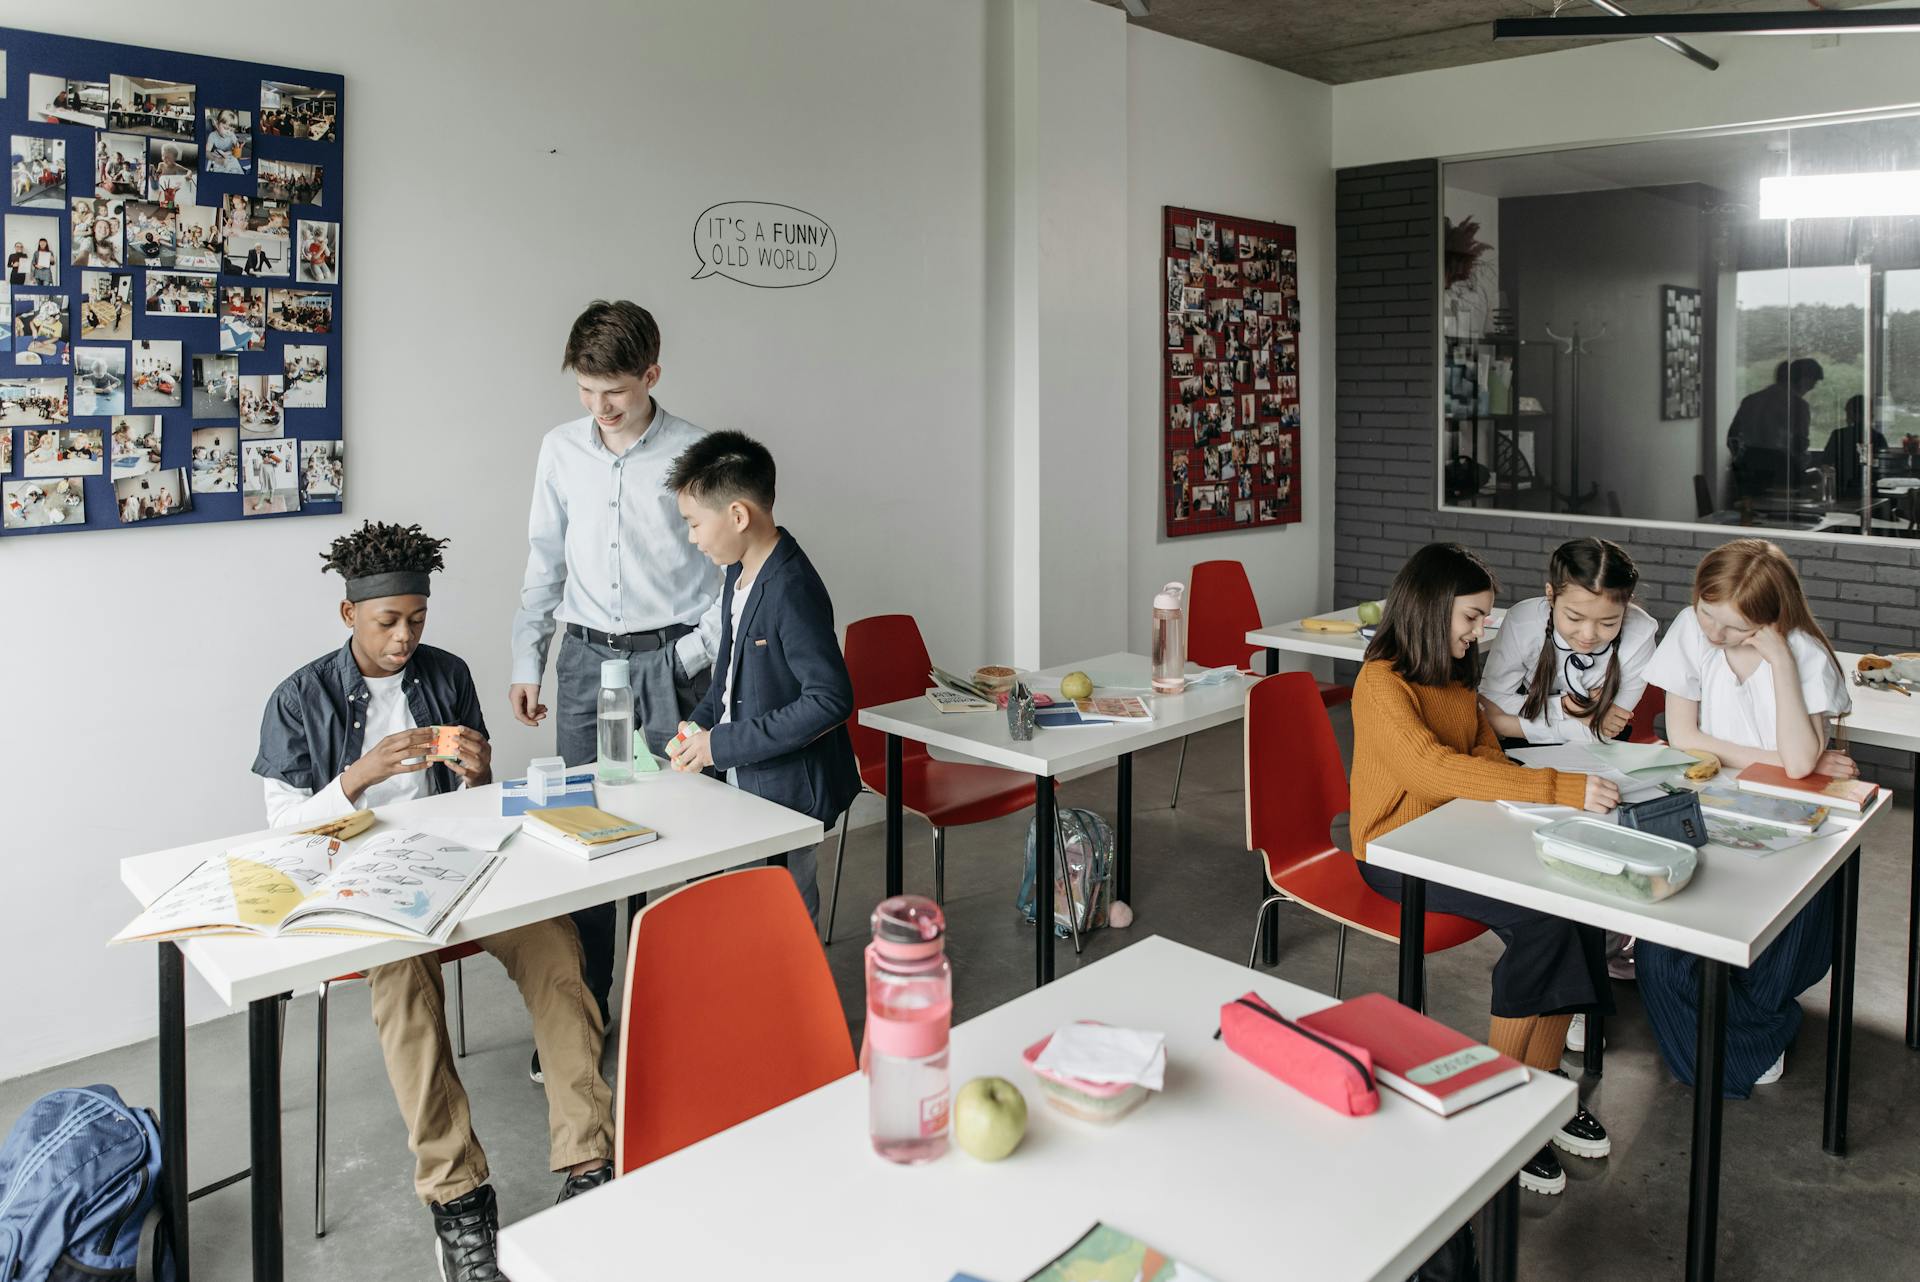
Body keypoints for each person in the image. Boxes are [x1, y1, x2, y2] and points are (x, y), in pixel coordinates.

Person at [253, 520, 615, 1281]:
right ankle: (458, 1199)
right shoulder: (298, 697)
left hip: (463, 866)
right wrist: (359, 776)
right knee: (402, 982)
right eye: (389, 621)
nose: (404, 637)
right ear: (349, 613)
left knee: (556, 945)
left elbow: (476, 803)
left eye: (417, 619)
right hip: (368, 883)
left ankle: (590, 1165)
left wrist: (480, 775)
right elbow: (281, 830)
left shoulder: (446, 673)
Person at [1350, 542, 1616, 1197]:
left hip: (1458, 836)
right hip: (1395, 852)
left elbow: (1484, 753)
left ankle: (1541, 1087)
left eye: (1484, 617)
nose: (1479, 630)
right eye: (1471, 616)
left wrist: (1535, 796)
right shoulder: (1380, 682)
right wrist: (1557, 789)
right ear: (1430, 607)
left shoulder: (1453, 673)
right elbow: (1431, 770)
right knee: (1542, 920)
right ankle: (1501, 1100)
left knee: (1575, 905)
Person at [509, 299, 722, 1071]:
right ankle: (584, 1016)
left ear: (651, 376)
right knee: (582, 837)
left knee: (683, 834)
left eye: (616, 393)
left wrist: (689, 660)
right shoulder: (559, 449)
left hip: (672, 661)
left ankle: (679, 1007)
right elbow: (544, 560)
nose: (600, 408)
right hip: (581, 661)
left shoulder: (698, 452)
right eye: (586, 392)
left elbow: (730, 576)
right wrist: (527, 660)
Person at [1637, 538, 1856, 1096]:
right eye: (1708, 614)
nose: (1715, 633)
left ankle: (1741, 1038)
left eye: (1735, 627)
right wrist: (1782, 759)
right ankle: (1743, 1041)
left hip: (1792, 819)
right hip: (1710, 804)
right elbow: (1681, 735)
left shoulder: (1801, 652)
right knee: (1662, 956)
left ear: (1770, 619)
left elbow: (1801, 765)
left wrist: (1780, 661)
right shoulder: (1692, 628)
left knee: (1779, 946)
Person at [663, 431, 861, 918]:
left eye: (694, 523)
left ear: (737, 516)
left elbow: (830, 699)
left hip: (786, 794)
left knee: (783, 914)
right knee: (746, 909)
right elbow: (728, 673)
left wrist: (721, 744)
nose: (692, 538)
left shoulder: (790, 587)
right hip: (745, 781)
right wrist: (699, 727)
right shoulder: (739, 570)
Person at [1727, 358, 1823, 500]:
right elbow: (1800, 443)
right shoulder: (1798, 405)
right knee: (1818, 479)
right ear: (1805, 380)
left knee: (1752, 505)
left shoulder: (1750, 400)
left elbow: (1732, 436)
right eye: (1812, 384)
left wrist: (1740, 461)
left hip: (1748, 465)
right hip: (1781, 468)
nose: (1811, 388)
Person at [1820, 394, 1888, 503]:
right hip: (1873, 494)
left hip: (1842, 493)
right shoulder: (1878, 437)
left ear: (1852, 414)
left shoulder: (1839, 435)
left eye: (1847, 412)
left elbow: (1825, 464)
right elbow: (1883, 469)